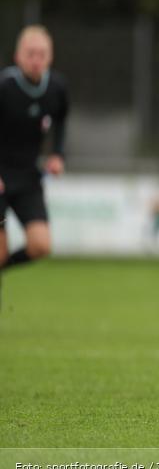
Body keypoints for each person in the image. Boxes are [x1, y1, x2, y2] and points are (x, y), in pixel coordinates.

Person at [0, 25, 69, 304]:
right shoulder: (4, 86)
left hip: (28, 177)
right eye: (30, 54)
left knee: (41, 245)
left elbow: (61, 120)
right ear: (18, 56)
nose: (36, 60)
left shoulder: (57, 88)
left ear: (50, 57)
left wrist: (58, 155)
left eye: (42, 54)